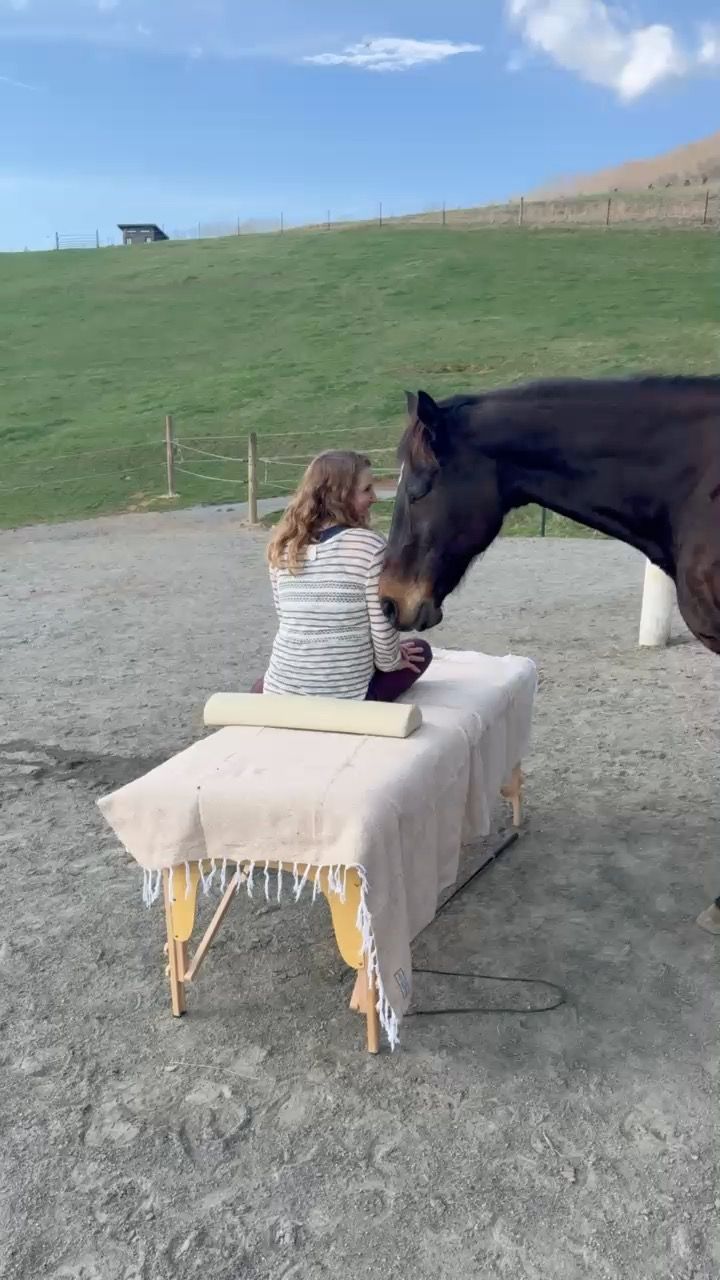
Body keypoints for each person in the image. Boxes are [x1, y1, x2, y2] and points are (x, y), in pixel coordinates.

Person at [252, 450, 431, 701]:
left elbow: (290, 619)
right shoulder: (370, 546)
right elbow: (382, 625)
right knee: (421, 651)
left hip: (282, 687)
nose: (374, 498)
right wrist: (392, 661)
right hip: (347, 695)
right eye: (367, 490)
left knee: (263, 685)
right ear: (341, 495)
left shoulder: (283, 544)